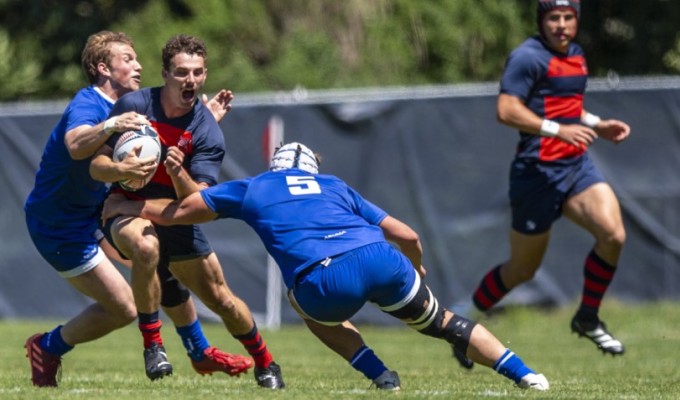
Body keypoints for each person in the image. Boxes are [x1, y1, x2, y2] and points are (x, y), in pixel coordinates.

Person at [102, 142, 550, 391]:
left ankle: (381, 377)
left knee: (309, 309)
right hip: (383, 260)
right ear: (312, 168)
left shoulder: (256, 186)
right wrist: (415, 269)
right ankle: (528, 376)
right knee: (447, 324)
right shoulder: (333, 184)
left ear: (276, 164)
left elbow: (178, 213)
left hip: (324, 278)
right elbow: (408, 235)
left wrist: (130, 203)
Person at [23, 31, 251, 388]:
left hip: (95, 211)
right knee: (124, 308)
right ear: (103, 68)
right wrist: (112, 125)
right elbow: (74, 144)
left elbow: (161, 141)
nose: (138, 65)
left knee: (159, 262)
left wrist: (200, 121)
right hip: (60, 225)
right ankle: (46, 346)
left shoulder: (134, 106)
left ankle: (199, 350)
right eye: (127, 59)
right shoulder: (90, 102)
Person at [90, 34, 284, 389]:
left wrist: (178, 172)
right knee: (146, 247)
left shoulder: (207, 131)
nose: (189, 80)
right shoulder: (134, 105)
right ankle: (153, 346)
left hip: (172, 214)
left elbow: (198, 206)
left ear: (205, 75)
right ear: (165, 74)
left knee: (223, 301)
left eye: (196, 73)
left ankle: (266, 362)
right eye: (181, 72)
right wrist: (120, 172)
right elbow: (96, 165)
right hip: (125, 214)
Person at [468, 0, 630, 361]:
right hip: (535, 174)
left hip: (575, 168)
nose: (561, 25)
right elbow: (506, 110)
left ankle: (587, 318)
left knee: (614, 235)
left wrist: (596, 124)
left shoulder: (576, 54)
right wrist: (558, 131)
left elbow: (566, 106)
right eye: (553, 17)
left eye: (568, 17)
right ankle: (464, 322)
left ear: (577, 20)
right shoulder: (527, 57)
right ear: (541, 21)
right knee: (522, 270)